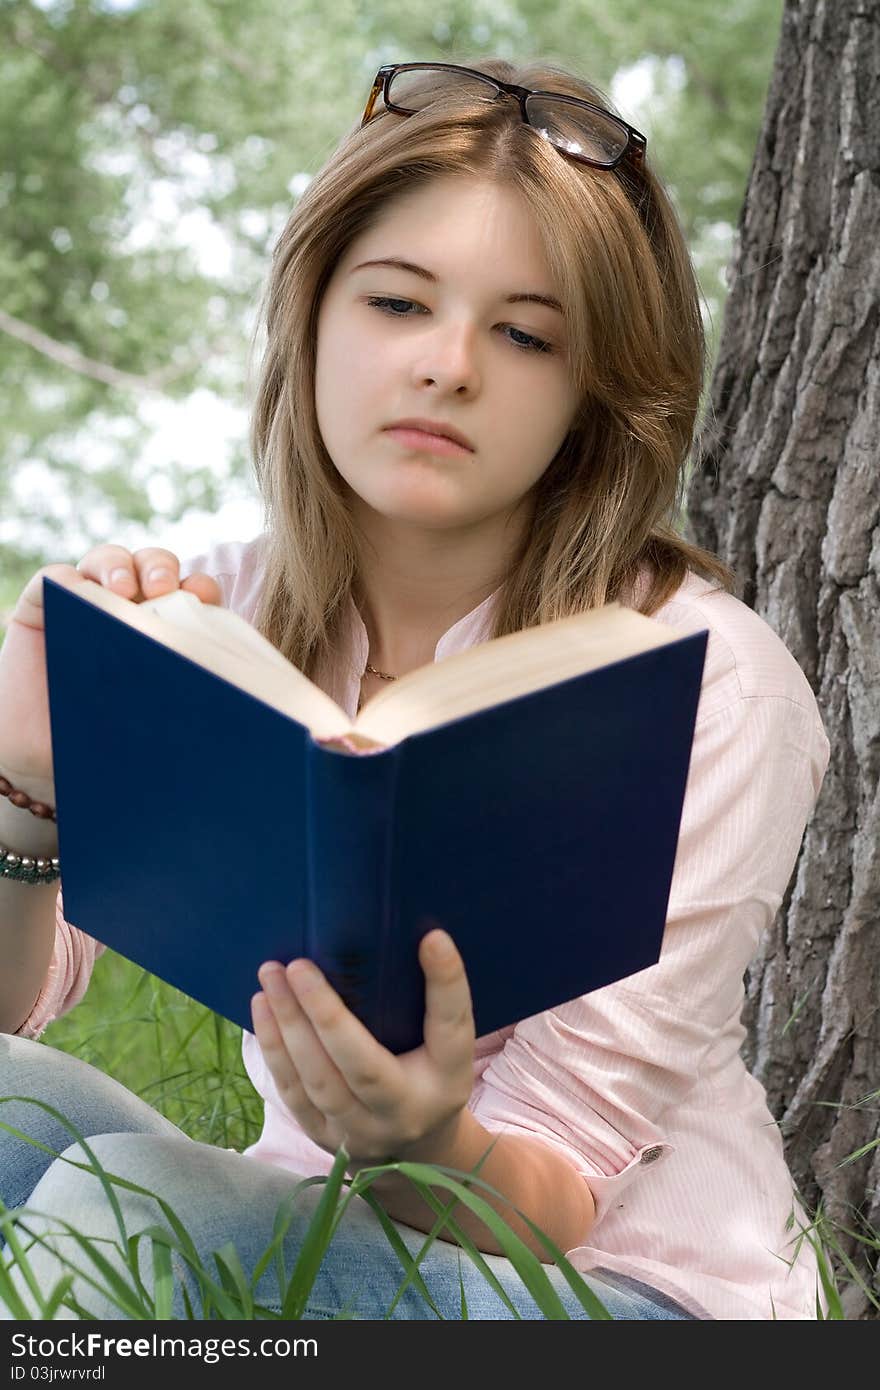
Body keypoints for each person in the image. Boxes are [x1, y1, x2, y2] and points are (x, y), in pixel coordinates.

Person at [0, 57, 830, 1321]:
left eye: (524, 333)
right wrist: (25, 790)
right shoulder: (213, 612)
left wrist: (418, 1133)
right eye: (397, 303)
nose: (448, 366)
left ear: (594, 390)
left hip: (623, 1285)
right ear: (314, 314)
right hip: (309, 1214)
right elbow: (17, 1019)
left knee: (123, 1204)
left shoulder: (710, 682)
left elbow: (562, 1185)